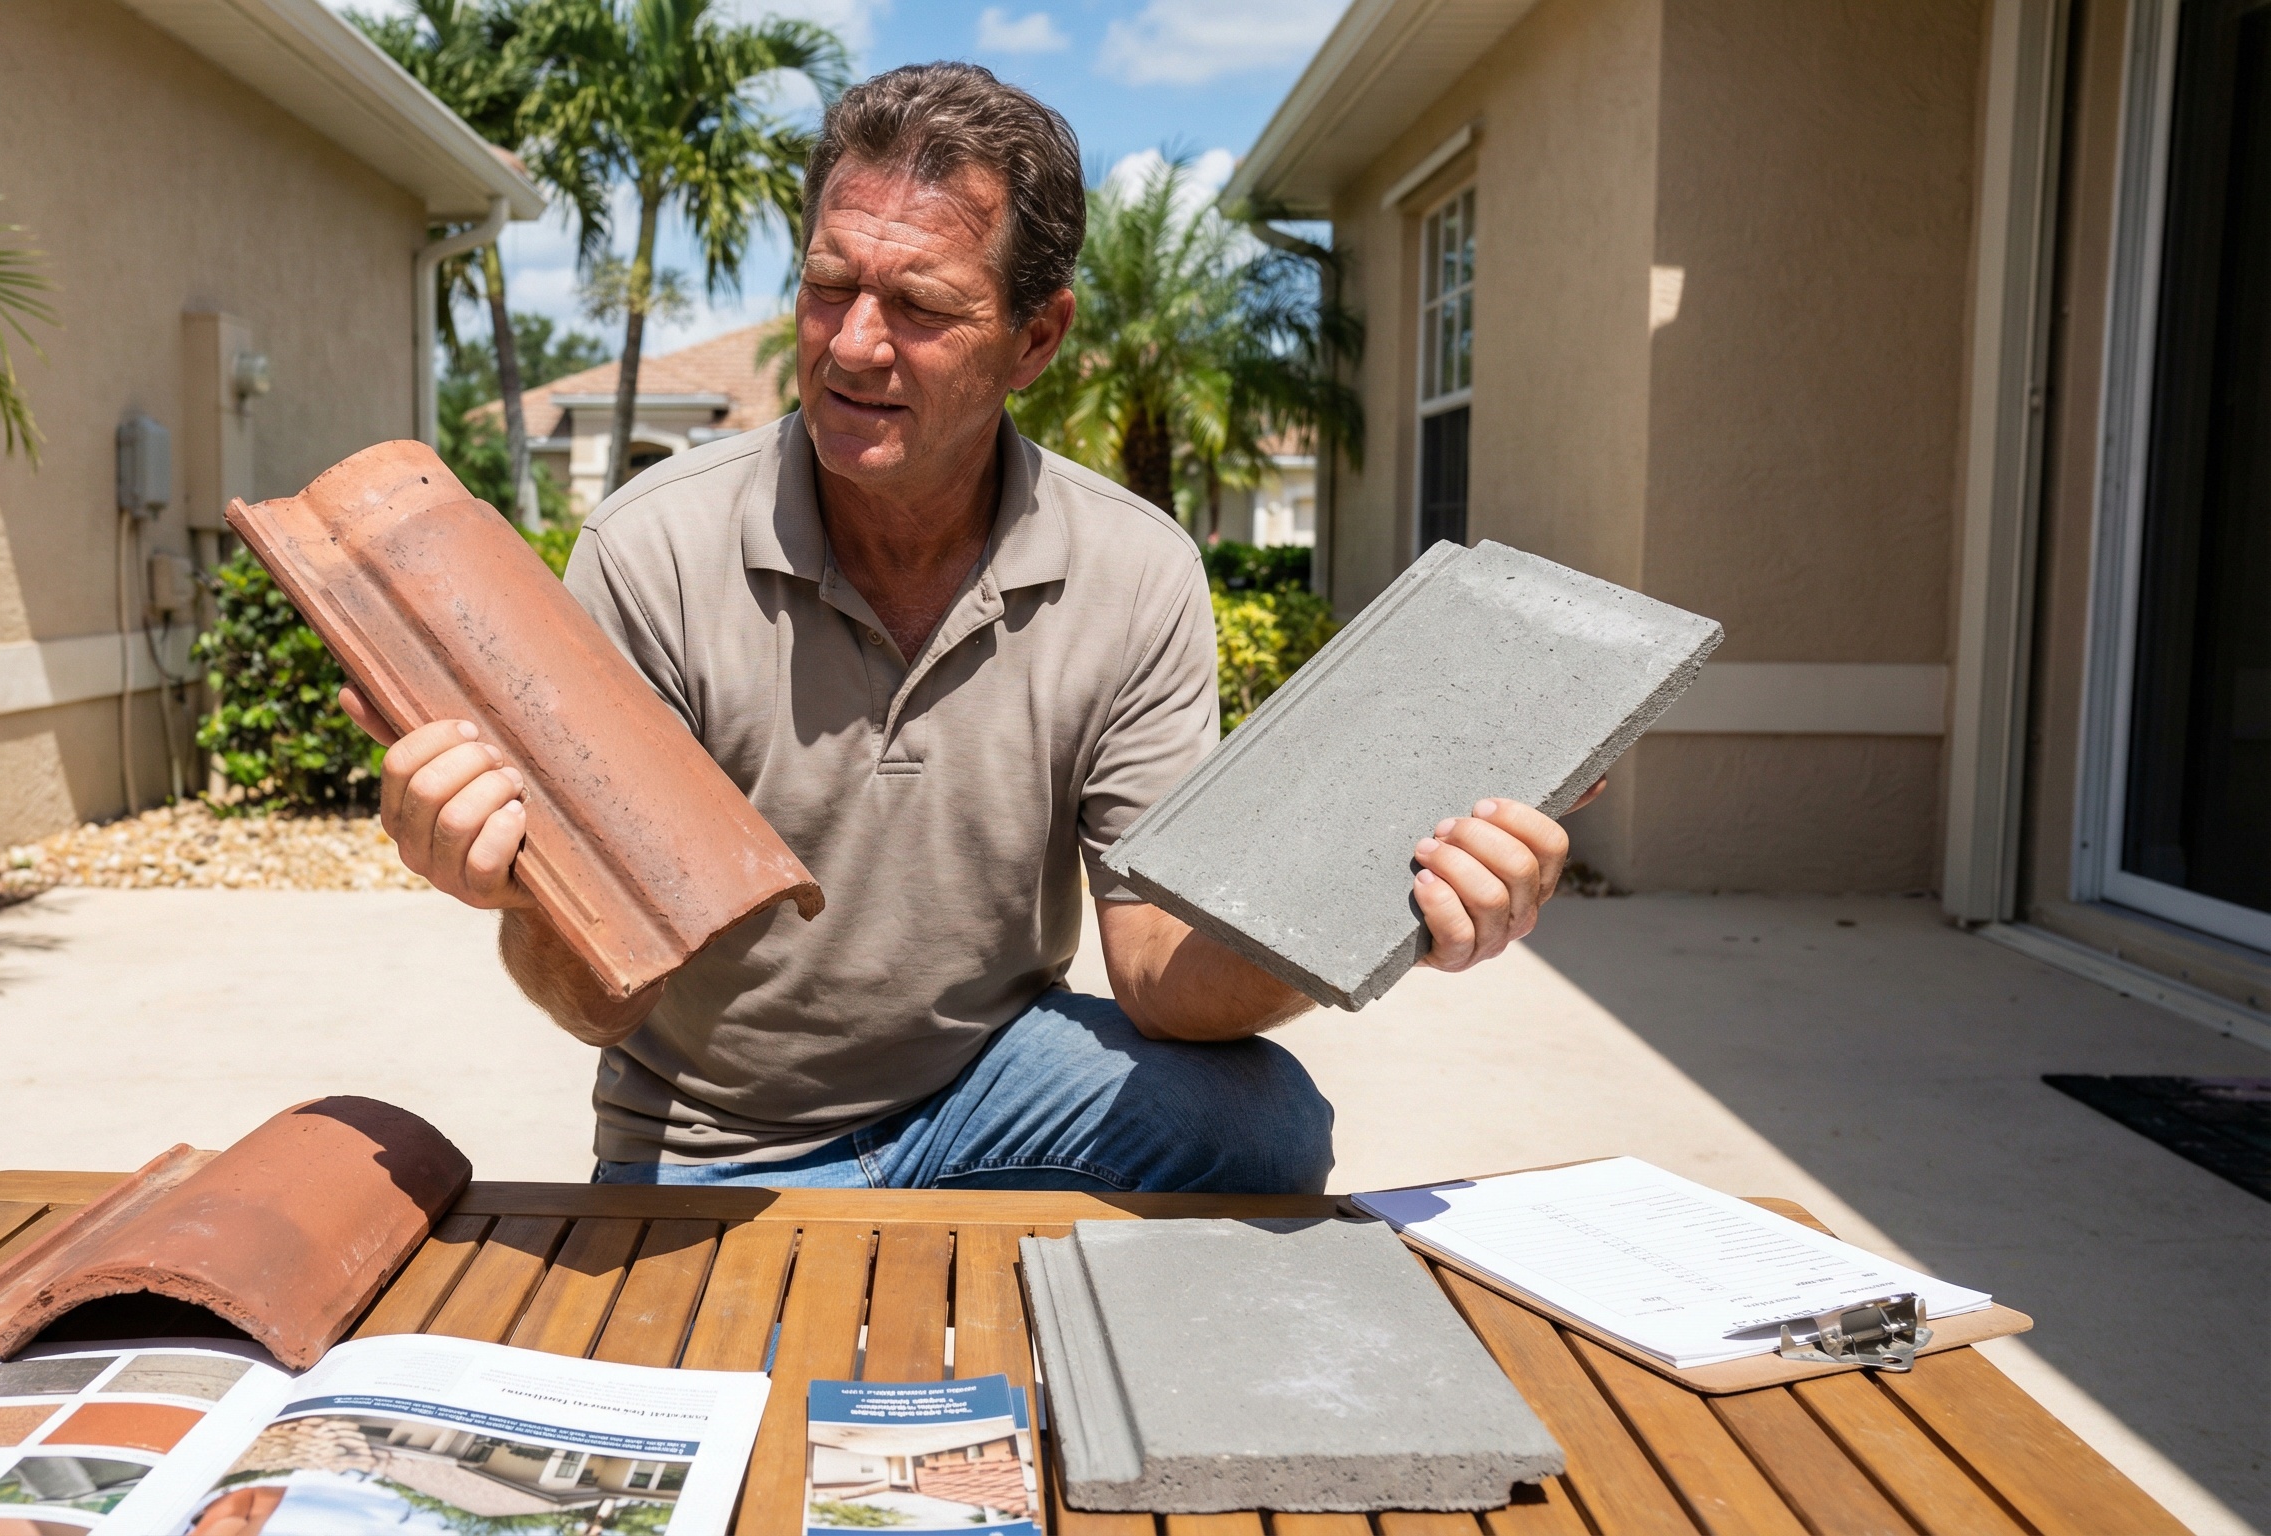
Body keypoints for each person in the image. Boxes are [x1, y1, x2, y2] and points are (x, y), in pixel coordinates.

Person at [343, 63, 1593, 1193]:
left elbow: (1159, 974)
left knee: (1264, 1124)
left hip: (997, 1094)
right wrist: (518, 893)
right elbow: (595, 1000)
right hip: (720, 1140)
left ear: (1034, 338)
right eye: (830, 288)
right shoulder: (652, 549)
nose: (855, 345)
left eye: (922, 306)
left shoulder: (1133, 570)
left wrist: (1375, 903)